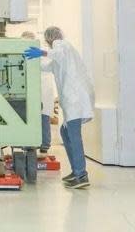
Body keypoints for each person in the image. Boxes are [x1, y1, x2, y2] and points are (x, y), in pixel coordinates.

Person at [23, 26, 95, 189]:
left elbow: (58, 54)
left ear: (51, 38)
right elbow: (47, 66)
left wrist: (41, 52)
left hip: (76, 99)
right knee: (65, 132)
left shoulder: (62, 45)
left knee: (73, 135)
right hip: (72, 101)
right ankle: (76, 171)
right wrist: (29, 59)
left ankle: (81, 174)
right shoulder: (59, 57)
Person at [21, 31, 57, 154]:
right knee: (33, 117)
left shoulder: (41, 53)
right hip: (33, 89)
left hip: (43, 88)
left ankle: (44, 144)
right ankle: (31, 143)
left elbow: (45, 67)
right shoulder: (30, 53)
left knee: (43, 117)